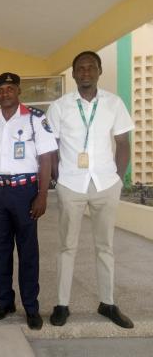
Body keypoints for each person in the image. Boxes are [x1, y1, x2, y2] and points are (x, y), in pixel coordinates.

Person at [47, 51, 134, 329]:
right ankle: (62, 304)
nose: (85, 72)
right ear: (73, 74)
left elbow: (122, 143)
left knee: (105, 247)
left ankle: (107, 303)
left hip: (105, 184)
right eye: (80, 68)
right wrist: (59, 179)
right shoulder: (60, 106)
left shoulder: (113, 103)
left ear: (99, 71)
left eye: (91, 67)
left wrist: (118, 179)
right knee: (66, 247)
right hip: (71, 184)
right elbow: (50, 147)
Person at [0, 72, 58, 330]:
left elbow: (46, 158)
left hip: (25, 192)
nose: (5, 94)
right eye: (0, 90)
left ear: (18, 91)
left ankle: (31, 307)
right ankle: (5, 303)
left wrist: (42, 193)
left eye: (9, 89)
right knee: (0, 251)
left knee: (28, 252)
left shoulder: (35, 119)